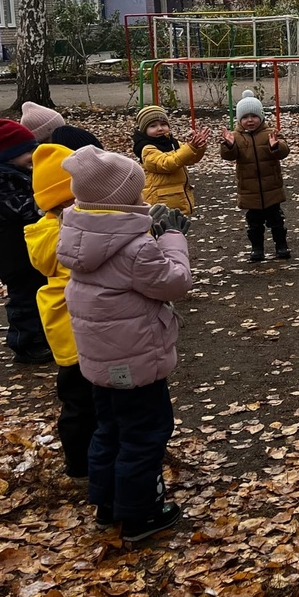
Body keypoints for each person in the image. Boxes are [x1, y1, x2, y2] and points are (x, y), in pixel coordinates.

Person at [56, 146, 192, 541]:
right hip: (136, 360)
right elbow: (175, 282)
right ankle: (140, 514)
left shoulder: (80, 235)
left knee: (110, 429)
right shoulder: (135, 248)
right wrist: (172, 238)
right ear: (123, 199)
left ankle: (108, 504)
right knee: (145, 433)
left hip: (101, 360)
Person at [24, 127, 104, 478]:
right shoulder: (71, 233)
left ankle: (79, 463)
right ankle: (87, 463)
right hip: (85, 329)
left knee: (75, 400)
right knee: (90, 402)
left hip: (65, 331)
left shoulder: (44, 230)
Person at [0, 119, 51, 363]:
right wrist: (46, 203)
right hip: (13, 253)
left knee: (38, 291)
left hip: (29, 247)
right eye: (28, 152)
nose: (33, 155)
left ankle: (41, 337)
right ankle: (24, 343)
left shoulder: (19, 174)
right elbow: (22, 210)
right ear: (10, 156)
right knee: (23, 299)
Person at [219, 90, 291, 262]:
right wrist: (229, 145)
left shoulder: (270, 133)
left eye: (254, 116)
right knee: (254, 224)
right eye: (245, 117)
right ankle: (257, 249)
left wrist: (275, 146)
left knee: (277, 221)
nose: (250, 120)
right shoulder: (235, 137)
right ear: (239, 119)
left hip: (271, 187)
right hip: (249, 190)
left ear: (261, 117)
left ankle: (281, 246)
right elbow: (228, 156)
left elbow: (284, 151)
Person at [133, 105, 210, 215]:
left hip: (176, 199)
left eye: (163, 124)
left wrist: (198, 147)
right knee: (164, 225)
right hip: (160, 204)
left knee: (178, 225)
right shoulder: (147, 149)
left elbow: (191, 159)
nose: (160, 128)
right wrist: (190, 148)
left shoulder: (173, 143)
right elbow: (167, 164)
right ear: (144, 130)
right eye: (153, 126)